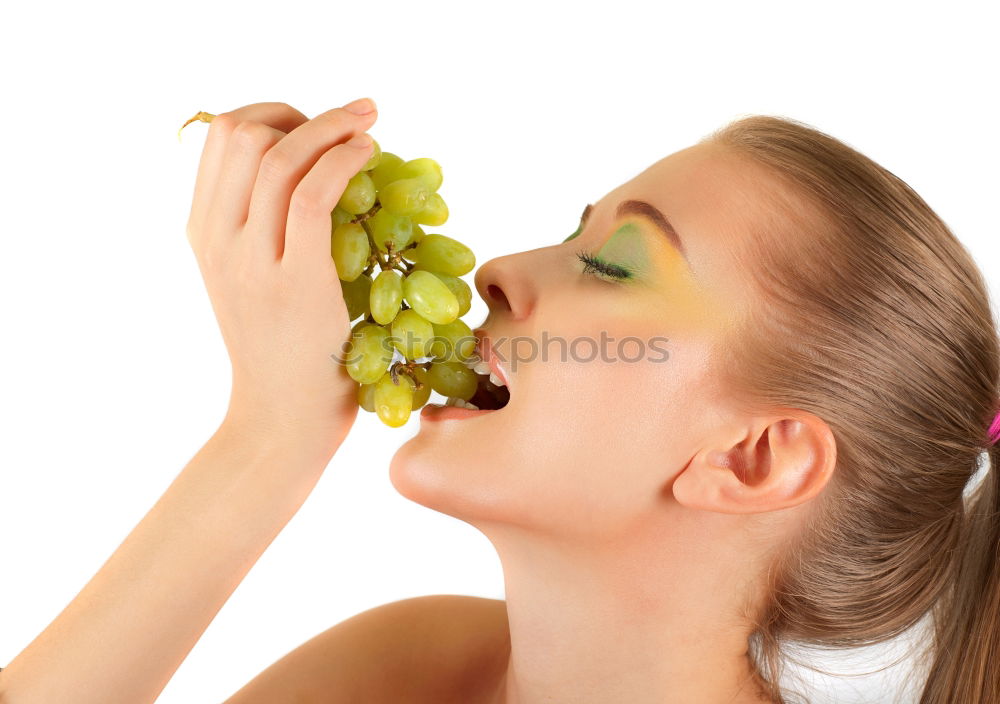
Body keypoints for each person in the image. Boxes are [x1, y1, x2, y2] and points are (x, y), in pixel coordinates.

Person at [0, 100, 997, 704]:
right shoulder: (411, 661)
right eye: (574, 232)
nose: (494, 269)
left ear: (751, 458)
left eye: (610, 263)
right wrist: (272, 433)